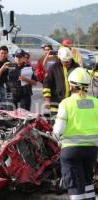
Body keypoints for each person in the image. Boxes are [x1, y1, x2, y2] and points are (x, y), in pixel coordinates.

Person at [53, 67, 98, 200]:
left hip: (71, 150)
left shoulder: (66, 103)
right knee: (87, 179)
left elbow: (58, 129)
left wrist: (55, 137)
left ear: (71, 85)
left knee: (75, 185)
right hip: (91, 150)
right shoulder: (95, 103)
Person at [43, 47, 79, 114]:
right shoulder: (53, 68)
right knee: (56, 123)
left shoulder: (76, 68)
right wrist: (47, 100)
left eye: (69, 60)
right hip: (56, 103)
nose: (67, 63)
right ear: (59, 59)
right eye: (64, 61)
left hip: (73, 103)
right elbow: (47, 84)